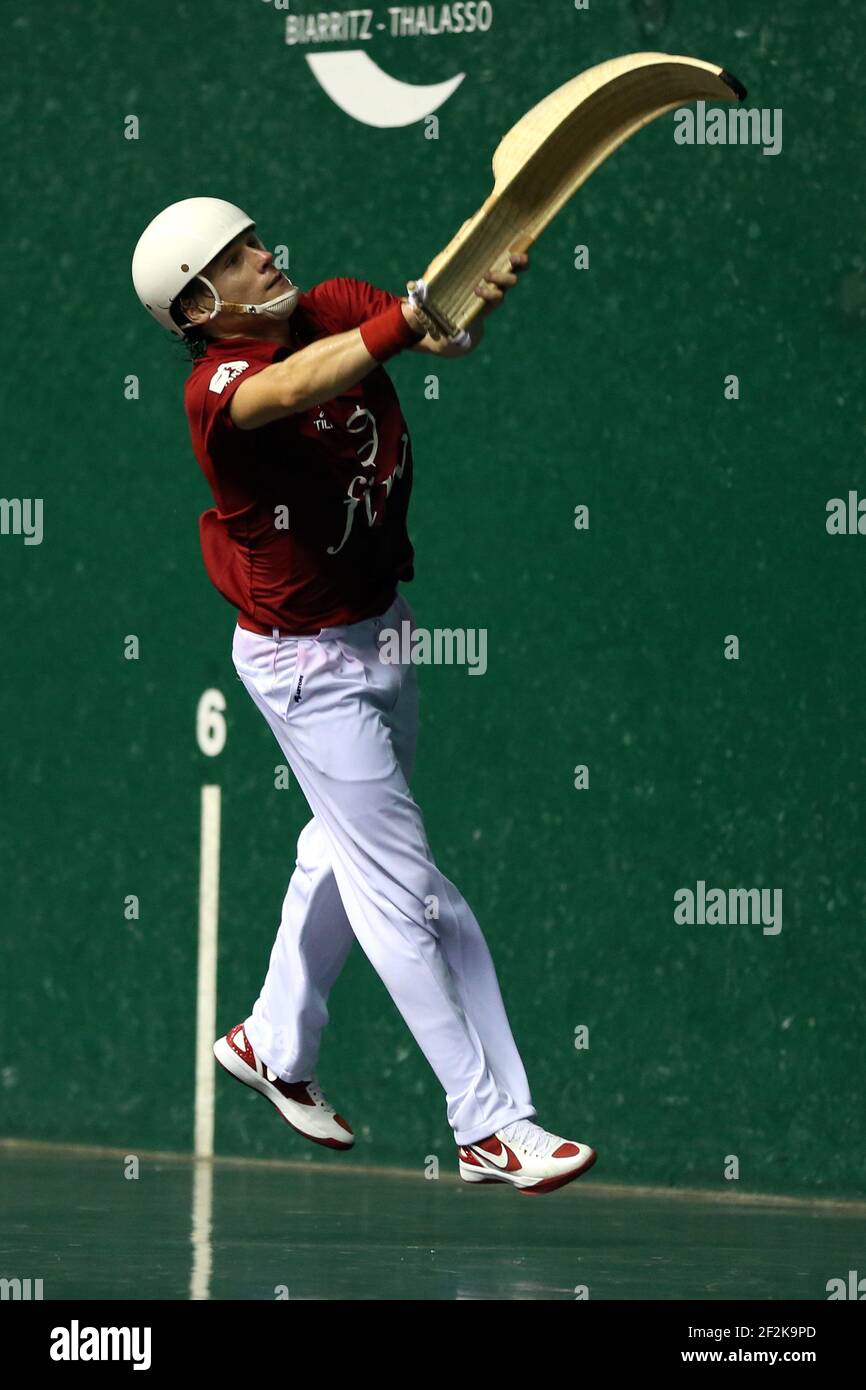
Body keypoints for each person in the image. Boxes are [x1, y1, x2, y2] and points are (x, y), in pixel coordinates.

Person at [131, 197, 596, 1194]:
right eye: (237, 257)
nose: (264, 255)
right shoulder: (216, 388)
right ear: (201, 303)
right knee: (409, 892)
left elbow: (436, 335)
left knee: (335, 845)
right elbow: (304, 380)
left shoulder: (331, 299)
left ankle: (271, 1036)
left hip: (380, 627)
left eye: (254, 239)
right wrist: (405, 323)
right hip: (303, 666)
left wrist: (464, 307)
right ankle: (488, 1122)